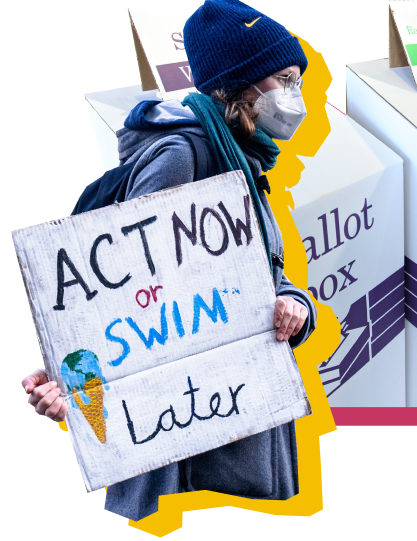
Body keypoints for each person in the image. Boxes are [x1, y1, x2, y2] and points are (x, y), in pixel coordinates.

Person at [20, 0, 316, 521]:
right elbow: (125, 291)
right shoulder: (184, 156)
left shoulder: (241, 157)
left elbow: (266, 275)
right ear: (240, 86)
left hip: (238, 421)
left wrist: (295, 306)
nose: (295, 96)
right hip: (190, 455)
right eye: (285, 79)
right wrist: (71, 378)